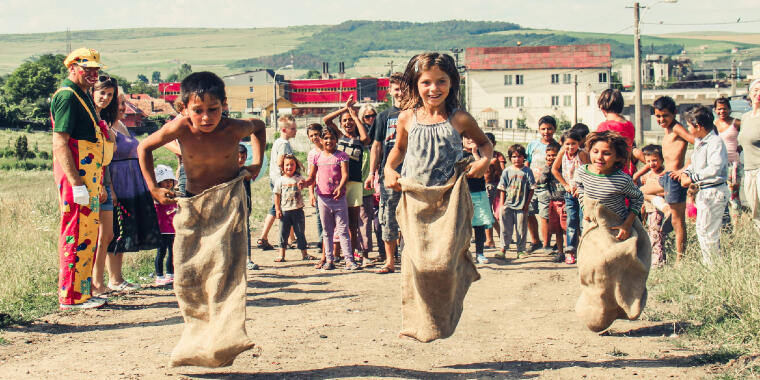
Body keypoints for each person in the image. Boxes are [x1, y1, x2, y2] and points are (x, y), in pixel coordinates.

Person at [51, 48, 109, 309]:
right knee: (76, 232)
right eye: (88, 69)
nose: (93, 74)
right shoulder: (67, 96)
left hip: (90, 176)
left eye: (96, 69)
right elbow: (60, 142)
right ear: (72, 67)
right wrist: (76, 184)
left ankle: (83, 292)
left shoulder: (81, 94)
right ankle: (71, 296)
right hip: (77, 177)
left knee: (87, 234)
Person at [107, 93, 162, 292]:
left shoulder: (122, 125)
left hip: (132, 181)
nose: (123, 107)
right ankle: (113, 279)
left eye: (124, 103)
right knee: (117, 230)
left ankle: (118, 277)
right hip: (119, 181)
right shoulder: (107, 127)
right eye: (120, 104)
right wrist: (111, 188)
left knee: (126, 230)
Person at [673, 106, 730, 265]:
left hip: (714, 190)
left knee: (709, 233)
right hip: (705, 192)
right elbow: (695, 164)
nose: (687, 129)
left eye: (689, 125)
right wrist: (687, 173)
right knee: (702, 230)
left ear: (698, 126)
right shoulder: (700, 142)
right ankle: (710, 264)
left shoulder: (715, 142)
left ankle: (713, 267)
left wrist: (692, 178)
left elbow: (715, 168)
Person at [300, 126, 361, 271]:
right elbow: (312, 177)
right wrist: (304, 183)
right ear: (321, 140)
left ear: (336, 140)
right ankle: (329, 260)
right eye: (326, 138)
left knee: (343, 230)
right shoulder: (317, 157)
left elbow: (345, 174)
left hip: (338, 198)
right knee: (326, 231)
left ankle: (349, 260)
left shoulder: (341, 156)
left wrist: (340, 187)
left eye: (332, 138)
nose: (329, 141)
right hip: (323, 199)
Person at [641, 96, 692, 262]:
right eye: (658, 116)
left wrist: (684, 169)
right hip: (666, 177)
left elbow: (699, 143)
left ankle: (680, 259)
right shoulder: (667, 130)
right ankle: (665, 208)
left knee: (678, 222)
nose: (661, 119)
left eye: (665, 116)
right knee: (640, 191)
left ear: (674, 113)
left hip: (675, 179)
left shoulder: (677, 128)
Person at [574, 131, 644, 244]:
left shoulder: (622, 179)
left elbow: (638, 198)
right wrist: (584, 208)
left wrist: (627, 225)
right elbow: (580, 188)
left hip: (615, 228)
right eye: (595, 152)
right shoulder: (582, 172)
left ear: (617, 157)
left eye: (606, 153)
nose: (599, 157)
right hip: (592, 225)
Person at [365, 72, 404, 273]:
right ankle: (390, 261)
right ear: (390, 91)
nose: (400, 93)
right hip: (389, 175)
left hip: (413, 174)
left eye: (404, 88)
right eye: (396, 89)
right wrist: (372, 173)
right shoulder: (383, 117)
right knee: (388, 217)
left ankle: (409, 260)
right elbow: (376, 146)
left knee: (412, 218)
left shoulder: (417, 113)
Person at [323, 95, 370, 264]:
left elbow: (366, 139)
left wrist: (355, 115)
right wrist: (345, 108)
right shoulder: (339, 137)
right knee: (336, 221)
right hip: (337, 184)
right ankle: (336, 253)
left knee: (353, 222)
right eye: (345, 121)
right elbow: (326, 119)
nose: (348, 123)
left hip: (355, 183)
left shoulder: (358, 139)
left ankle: (354, 253)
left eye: (350, 120)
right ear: (341, 123)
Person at [90, 74, 118, 297]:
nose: (106, 97)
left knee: (106, 235)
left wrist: (110, 187)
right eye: (102, 93)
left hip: (105, 183)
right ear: (93, 92)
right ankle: (92, 284)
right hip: (92, 183)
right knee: (94, 236)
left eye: (110, 94)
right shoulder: (89, 119)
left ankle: (99, 280)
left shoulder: (104, 121)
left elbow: (106, 160)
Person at [257, 115, 297, 251]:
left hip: (274, 178)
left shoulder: (278, 141)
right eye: (292, 129)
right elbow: (281, 162)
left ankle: (292, 239)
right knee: (276, 208)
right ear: (284, 130)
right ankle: (263, 237)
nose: (295, 131)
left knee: (288, 207)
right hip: (280, 181)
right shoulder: (284, 144)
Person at [550, 129, 589, 263]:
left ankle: (586, 251)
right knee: (571, 221)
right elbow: (554, 169)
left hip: (583, 192)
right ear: (562, 144)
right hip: (569, 192)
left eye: (574, 144)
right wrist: (565, 184)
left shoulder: (582, 154)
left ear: (579, 143)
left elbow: (590, 171)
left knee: (584, 221)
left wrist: (582, 188)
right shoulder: (562, 153)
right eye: (567, 144)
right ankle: (570, 251)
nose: (570, 147)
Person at [496, 144, 535, 259]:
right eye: (513, 157)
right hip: (508, 205)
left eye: (519, 156)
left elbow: (531, 189)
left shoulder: (527, 171)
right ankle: (503, 249)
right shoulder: (507, 171)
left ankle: (520, 250)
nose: (516, 159)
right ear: (510, 158)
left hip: (521, 206)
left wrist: (526, 205)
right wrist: (502, 206)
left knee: (521, 230)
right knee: (505, 228)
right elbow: (502, 189)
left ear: (524, 157)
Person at [525, 116, 557, 252]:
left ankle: (546, 244)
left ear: (554, 129)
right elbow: (527, 162)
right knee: (528, 212)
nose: (546, 131)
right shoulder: (533, 145)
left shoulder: (557, 146)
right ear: (539, 129)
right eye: (543, 129)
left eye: (549, 128)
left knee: (545, 216)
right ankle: (535, 240)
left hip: (548, 187)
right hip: (532, 186)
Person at [273, 154, 314, 262]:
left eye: (292, 165)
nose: (289, 167)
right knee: (283, 233)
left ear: (296, 166)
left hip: (298, 210)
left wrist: (303, 184)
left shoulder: (298, 178)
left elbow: (307, 184)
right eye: (287, 165)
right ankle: (281, 255)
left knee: (300, 233)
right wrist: (277, 210)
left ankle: (304, 254)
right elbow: (277, 195)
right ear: (282, 167)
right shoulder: (280, 180)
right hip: (285, 211)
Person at [633, 145, 667, 267]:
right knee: (652, 233)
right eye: (648, 161)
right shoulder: (648, 175)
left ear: (662, 160)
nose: (651, 164)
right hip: (649, 209)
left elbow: (666, 191)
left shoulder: (663, 174)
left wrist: (652, 191)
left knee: (656, 234)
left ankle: (657, 262)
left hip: (658, 209)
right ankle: (656, 258)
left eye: (654, 160)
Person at [463, 136, 494, 264]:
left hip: (479, 194)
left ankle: (480, 253)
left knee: (480, 225)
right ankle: (463, 254)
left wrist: (475, 153)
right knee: (463, 226)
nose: (470, 139)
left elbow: (481, 169)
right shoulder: (458, 153)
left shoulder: (482, 154)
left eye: (473, 137)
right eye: (466, 137)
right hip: (463, 194)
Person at [357, 103, 381, 263]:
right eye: (367, 116)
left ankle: (384, 251)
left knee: (379, 217)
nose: (371, 119)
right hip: (363, 179)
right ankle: (363, 252)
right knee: (363, 218)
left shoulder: (379, 130)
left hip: (379, 176)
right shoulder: (360, 133)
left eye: (373, 116)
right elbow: (365, 140)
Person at [714, 97, 743, 224]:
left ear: (729, 109)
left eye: (724, 108)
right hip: (718, 166)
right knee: (720, 197)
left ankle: (738, 226)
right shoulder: (713, 125)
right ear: (715, 110)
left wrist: (741, 146)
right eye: (719, 109)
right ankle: (725, 225)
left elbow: (748, 135)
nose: (722, 111)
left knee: (733, 197)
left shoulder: (736, 123)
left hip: (733, 166)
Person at [595, 89, 636, 176]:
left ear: (602, 106)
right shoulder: (630, 125)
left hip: (608, 174)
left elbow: (599, 153)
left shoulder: (604, 126)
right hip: (624, 172)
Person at [738, 78, 760, 233]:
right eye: (756, 90)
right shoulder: (745, 118)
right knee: (755, 212)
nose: (758, 94)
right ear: (750, 94)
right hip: (748, 170)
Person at [538, 142, 566, 262]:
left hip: (566, 202)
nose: (551, 158)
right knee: (557, 230)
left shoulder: (564, 167)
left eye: (554, 155)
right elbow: (541, 180)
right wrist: (547, 167)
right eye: (548, 155)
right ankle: (560, 252)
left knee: (568, 228)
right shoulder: (548, 169)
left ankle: (572, 251)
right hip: (554, 201)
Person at [153, 165, 177, 285]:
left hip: (172, 230)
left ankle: (170, 274)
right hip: (161, 230)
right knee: (161, 253)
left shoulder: (174, 195)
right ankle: (159, 276)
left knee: (172, 252)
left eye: (170, 181)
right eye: (165, 181)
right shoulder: (157, 197)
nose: (168, 183)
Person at [306, 123, 326, 266]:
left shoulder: (329, 149)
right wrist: (311, 194)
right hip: (319, 188)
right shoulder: (312, 154)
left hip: (332, 188)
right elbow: (311, 176)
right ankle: (322, 240)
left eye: (316, 134)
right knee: (320, 216)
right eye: (311, 135)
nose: (314, 137)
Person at [238, 144, 259, 270]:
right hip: (231, 207)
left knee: (246, 232)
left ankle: (248, 259)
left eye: (243, 157)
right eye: (238, 157)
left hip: (245, 206)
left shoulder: (246, 171)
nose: (240, 159)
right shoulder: (229, 171)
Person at [484, 132, 506, 248]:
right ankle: (502, 235)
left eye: (489, 143)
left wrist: (495, 166)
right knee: (488, 214)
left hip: (491, 186)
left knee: (487, 214)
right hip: (480, 187)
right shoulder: (479, 154)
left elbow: (502, 172)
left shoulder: (496, 157)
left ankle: (490, 240)